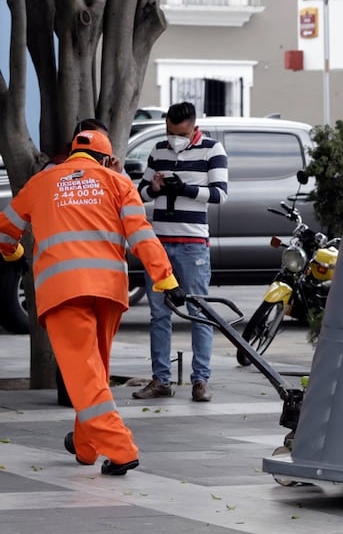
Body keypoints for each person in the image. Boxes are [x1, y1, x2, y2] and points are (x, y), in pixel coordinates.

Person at [0, 129, 186, 475]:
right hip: (109, 291)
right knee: (93, 371)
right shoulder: (117, 182)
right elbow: (142, 234)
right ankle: (86, 447)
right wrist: (165, 278)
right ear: (105, 158)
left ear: (72, 154)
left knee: (83, 376)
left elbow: (4, 230)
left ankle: (120, 448)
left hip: (63, 291)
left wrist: (14, 252)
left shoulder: (42, 182)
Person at [133, 102, 228, 403]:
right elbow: (140, 193)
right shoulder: (158, 150)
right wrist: (157, 189)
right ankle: (161, 379)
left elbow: (220, 194)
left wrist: (184, 189)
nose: (174, 138)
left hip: (192, 245)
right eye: (170, 132)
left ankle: (200, 380)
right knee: (158, 314)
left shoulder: (213, 151)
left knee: (199, 312)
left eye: (181, 133)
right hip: (158, 244)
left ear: (193, 126)